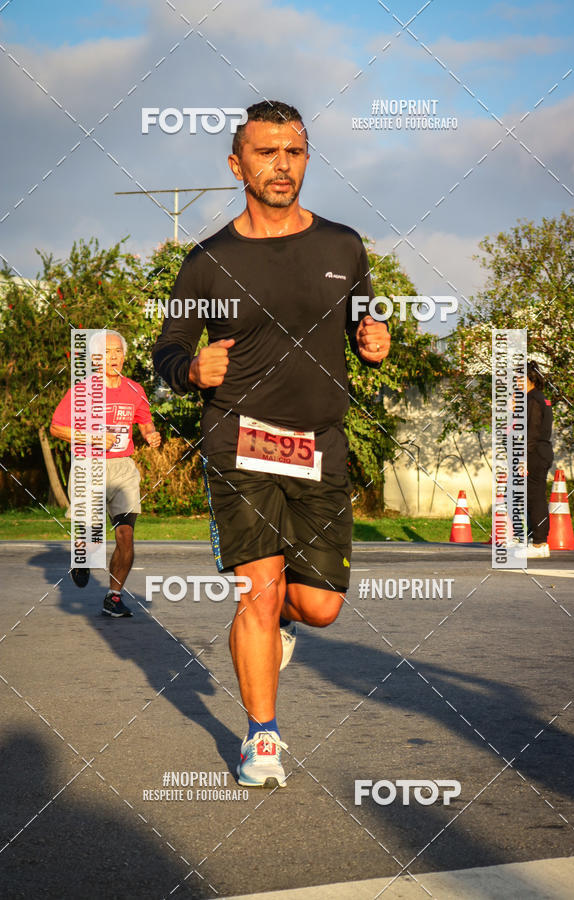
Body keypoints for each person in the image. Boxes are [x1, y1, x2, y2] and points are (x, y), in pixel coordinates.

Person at [153, 100, 390, 788]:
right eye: (265, 152)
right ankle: (261, 738)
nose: (281, 165)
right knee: (257, 588)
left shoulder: (343, 246)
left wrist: (372, 341)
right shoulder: (208, 261)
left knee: (318, 605)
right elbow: (166, 350)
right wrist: (190, 369)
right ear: (237, 164)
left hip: (320, 443)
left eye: (294, 151)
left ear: (306, 159)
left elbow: (363, 323)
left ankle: (282, 622)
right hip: (238, 440)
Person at [51, 330, 161, 615]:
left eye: (118, 351)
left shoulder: (135, 389)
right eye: (108, 352)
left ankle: (113, 597)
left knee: (126, 534)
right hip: (91, 465)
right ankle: (82, 556)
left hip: (124, 467)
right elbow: (57, 428)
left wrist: (151, 435)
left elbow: (145, 422)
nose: (114, 357)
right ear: (96, 358)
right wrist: (93, 438)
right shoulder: (82, 390)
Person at [524, 360, 553, 558]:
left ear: (529, 379)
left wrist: (523, 457)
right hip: (539, 451)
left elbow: (531, 432)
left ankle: (540, 544)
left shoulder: (533, 400)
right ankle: (536, 539)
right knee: (531, 497)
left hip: (534, 453)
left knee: (535, 498)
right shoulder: (540, 398)